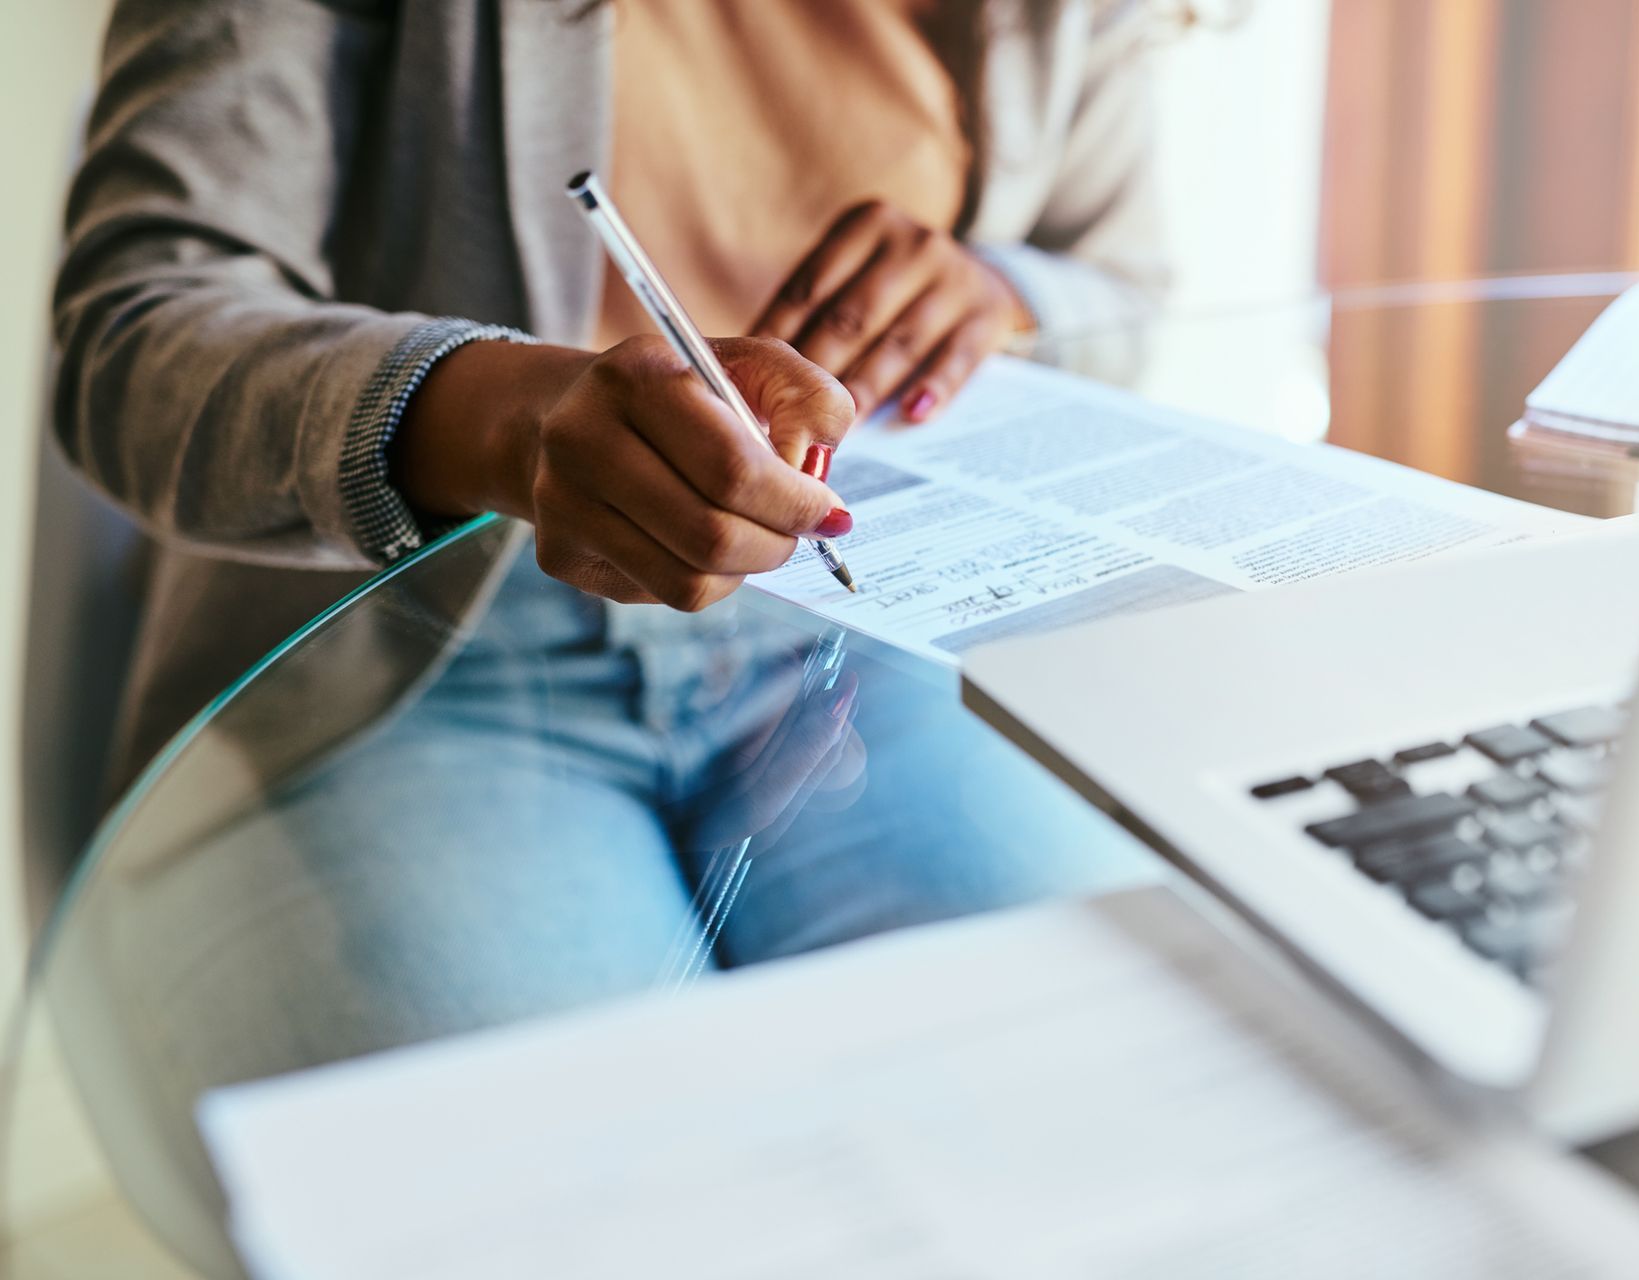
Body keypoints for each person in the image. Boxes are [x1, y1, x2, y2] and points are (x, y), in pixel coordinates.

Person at [51, 3, 1172, 1268]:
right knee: (613, 1232)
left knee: (1128, 1154)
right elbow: (131, 331)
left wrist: (997, 294)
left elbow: (1132, 284)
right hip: (412, 659)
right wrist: (507, 420)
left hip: (876, 636)